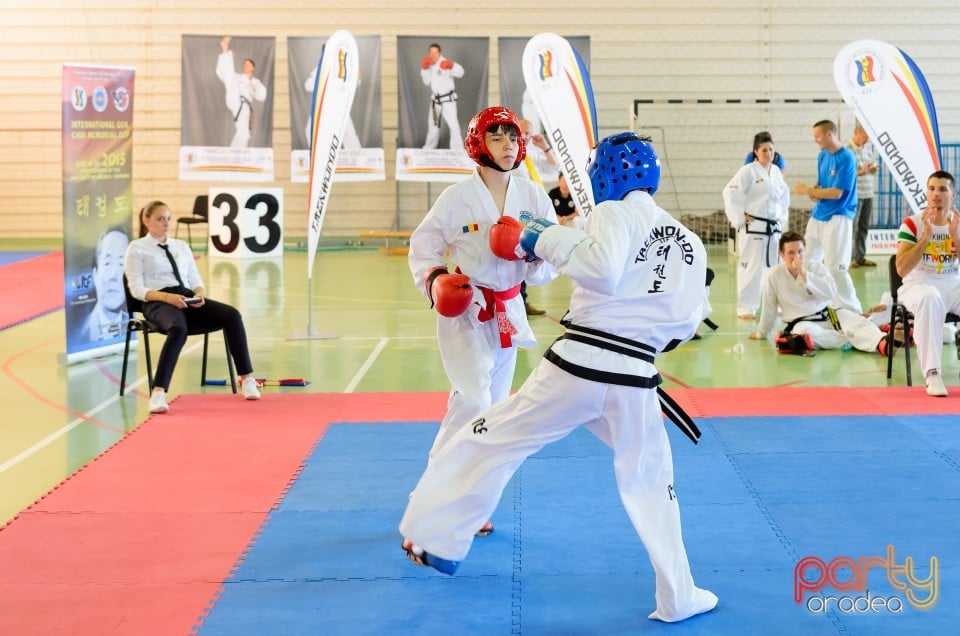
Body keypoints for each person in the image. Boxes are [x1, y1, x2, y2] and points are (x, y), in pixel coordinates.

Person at [400, 132, 718, 624]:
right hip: (636, 377)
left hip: (580, 366)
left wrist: (535, 237)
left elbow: (601, 267)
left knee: (490, 437)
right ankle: (678, 597)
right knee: (652, 482)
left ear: (607, 174)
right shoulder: (690, 242)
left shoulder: (611, 213)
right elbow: (687, 322)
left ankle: (436, 539)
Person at [406, 106, 557, 535]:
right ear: (478, 144)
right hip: (467, 310)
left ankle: (470, 502)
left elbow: (548, 264)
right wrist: (436, 281)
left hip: (508, 312)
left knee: (491, 411)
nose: (508, 144)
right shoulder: (455, 198)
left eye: (513, 137)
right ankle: (430, 494)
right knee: (471, 401)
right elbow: (424, 248)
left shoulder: (532, 196)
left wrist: (530, 252)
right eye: (497, 136)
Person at [124, 201, 262, 414]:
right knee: (179, 328)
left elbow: (194, 278)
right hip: (156, 302)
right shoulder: (137, 248)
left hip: (186, 298)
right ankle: (158, 392)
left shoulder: (181, 246)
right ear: (146, 220)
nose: (166, 223)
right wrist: (168, 298)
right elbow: (136, 289)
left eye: (168, 218)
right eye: (160, 219)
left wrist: (199, 293)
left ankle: (246, 378)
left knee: (232, 315)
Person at [749, 231, 888, 355]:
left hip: (828, 314)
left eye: (800, 251)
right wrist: (761, 333)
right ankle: (854, 339)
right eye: (791, 253)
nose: (796, 256)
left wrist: (805, 275)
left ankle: (882, 342)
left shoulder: (815, 267)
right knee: (806, 335)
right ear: (782, 255)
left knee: (855, 320)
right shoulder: (774, 275)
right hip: (801, 322)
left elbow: (831, 291)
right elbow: (769, 309)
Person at [895, 170, 960, 397]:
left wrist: (956, 237)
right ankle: (933, 374)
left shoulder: (958, 224)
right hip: (918, 285)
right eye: (932, 189)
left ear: (953, 194)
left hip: (952, 284)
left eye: (942, 189)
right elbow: (901, 268)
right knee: (930, 296)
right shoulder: (912, 224)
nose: (936, 194)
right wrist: (926, 238)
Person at [793, 120, 862, 313]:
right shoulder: (822, 156)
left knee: (835, 268)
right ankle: (809, 303)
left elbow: (837, 192)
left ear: (830, 134)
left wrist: (806, 190)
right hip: (818, 217)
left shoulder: (847, 157)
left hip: (838, 217)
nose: (815, 140)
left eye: (818, 136)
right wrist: (813, 190)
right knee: (806, 261)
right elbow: (822, 184)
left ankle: (850, 309)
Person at [723, 131, 790, 319]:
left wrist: (781, 219)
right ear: (755, 152)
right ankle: (746, 307)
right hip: (753, 228)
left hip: (773, 229)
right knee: (751, 268)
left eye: (771, 149)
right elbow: (730, 193)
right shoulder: (748, 171)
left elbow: (784, 197)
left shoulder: (776, 172)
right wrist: (738, 217)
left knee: (774, 269)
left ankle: (774, 304)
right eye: (764, 150)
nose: (768, 153)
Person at [514, 118, 557, 316]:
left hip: (534, 212)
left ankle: (522, 301)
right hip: (515, 212)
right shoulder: (509, 155)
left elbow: (554, 167)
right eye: (522, 132)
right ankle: (518, 302)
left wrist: (545, 147)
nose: (525, 137)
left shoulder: (531, 155)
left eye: (528, 134)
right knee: (515, 255)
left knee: (528, 256)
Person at [77, 226, 130, 342]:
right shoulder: (78, 335)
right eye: (107, 263)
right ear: (95, 275)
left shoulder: (132, 326)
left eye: (121, 264)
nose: (113, 275)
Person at [216, 36, 267, 148]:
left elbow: (262, 96)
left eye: (248, 63)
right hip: (234, 98)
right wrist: (229, 58)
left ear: (253, 67)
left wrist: (252, 86)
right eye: (244, 64)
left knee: (244, 133)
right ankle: (225, 48)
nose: (245, 65)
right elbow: (222, 74)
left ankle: (235, 155)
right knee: (230, 78)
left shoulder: (256, 82)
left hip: (245, 106)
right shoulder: (238, 77)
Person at [304, 63, 361, 150]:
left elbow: (355, 82)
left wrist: (356, 77)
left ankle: (358, 159)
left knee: (349, 135)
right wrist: (322, 80)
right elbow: (308, 86)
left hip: (339, 107)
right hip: (322, 108)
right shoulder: (321, 67)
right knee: (310, 131)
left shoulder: (344, 66)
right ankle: (318, 156)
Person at [846, 121, 879, 268]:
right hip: (855, 195)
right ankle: (850, 257)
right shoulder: (847, 150)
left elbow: (868, 169)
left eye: (867, 137)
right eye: (864, 136)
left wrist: (872, 170)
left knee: (864, 226)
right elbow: (847, 174)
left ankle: (860, 257)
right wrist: (862, 170)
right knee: (852, 227)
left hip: (868, 193)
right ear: (856, 134)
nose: (866, 140)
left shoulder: (867, 149)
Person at [420, 43, 464, 150]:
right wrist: (425, 68)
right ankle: (429, 149)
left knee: (453, 125)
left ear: (439, 53)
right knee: (433, 127)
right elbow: (426, 81)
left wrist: (451, 65)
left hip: (448, 100)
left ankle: (457, 150)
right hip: (435, 101)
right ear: (429, 53)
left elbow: (461, 73)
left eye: (435, 52)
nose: (433, 55)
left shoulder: (445, 63)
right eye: (431, 52)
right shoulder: (429, 65)